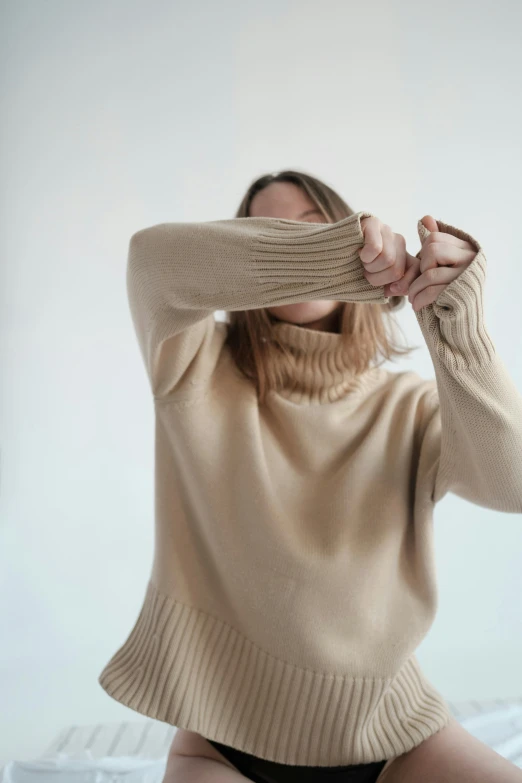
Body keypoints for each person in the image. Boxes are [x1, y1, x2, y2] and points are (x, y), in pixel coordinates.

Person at [98, 170, 522, 782]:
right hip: (220, 741)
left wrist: (457, 320)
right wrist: (338, 258)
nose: (292, 241)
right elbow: (153, 260)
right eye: (266, 234)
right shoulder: (193, 366)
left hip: (395, 735)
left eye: (309, 226)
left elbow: (510, 486)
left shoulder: (409, 407)